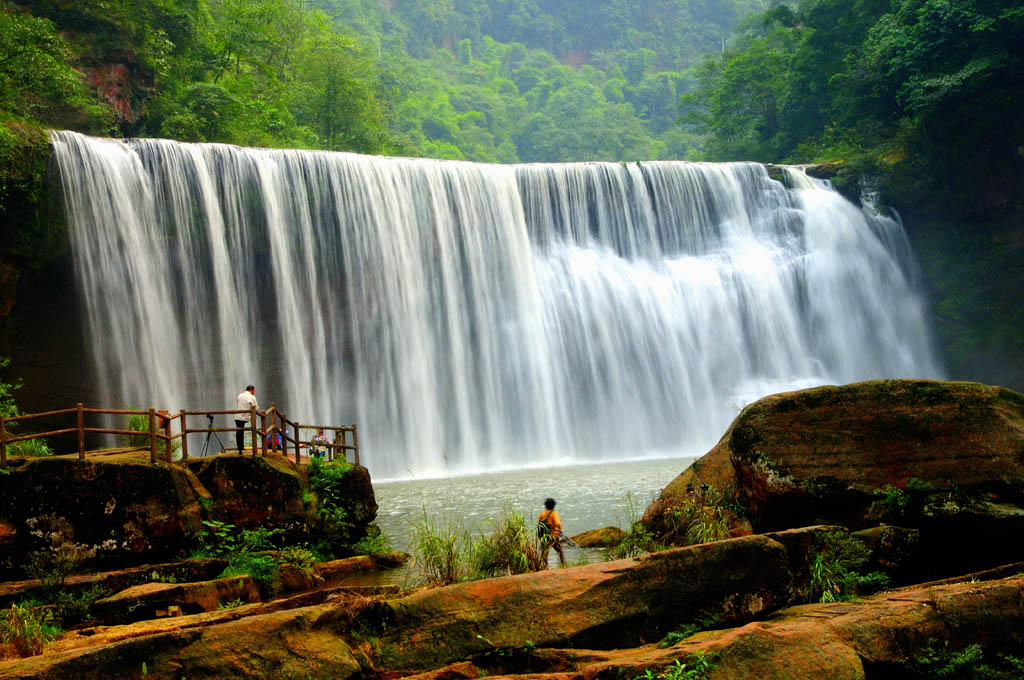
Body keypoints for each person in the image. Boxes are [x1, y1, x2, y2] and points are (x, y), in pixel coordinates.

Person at [538, 497, 566, 568]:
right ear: (553, 505)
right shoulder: (554, 513)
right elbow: (558, 523)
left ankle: (545, 566)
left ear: (546, 505)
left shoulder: (542, 514)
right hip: (553, 535)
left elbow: (539, 524)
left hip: (543, 536)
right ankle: (564, 566)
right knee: (559, 550)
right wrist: (560, 530)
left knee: (544, 552)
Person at [235, 385, 259, 453]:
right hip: (245, 416)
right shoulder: (252, 397)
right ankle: (253, 448)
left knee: (239, 432)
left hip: (238, 416)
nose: (254, 392)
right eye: (254, 390)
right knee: (252, 429)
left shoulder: (240, 395)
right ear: (251, 390)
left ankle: (240, 449)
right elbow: (256, 408)